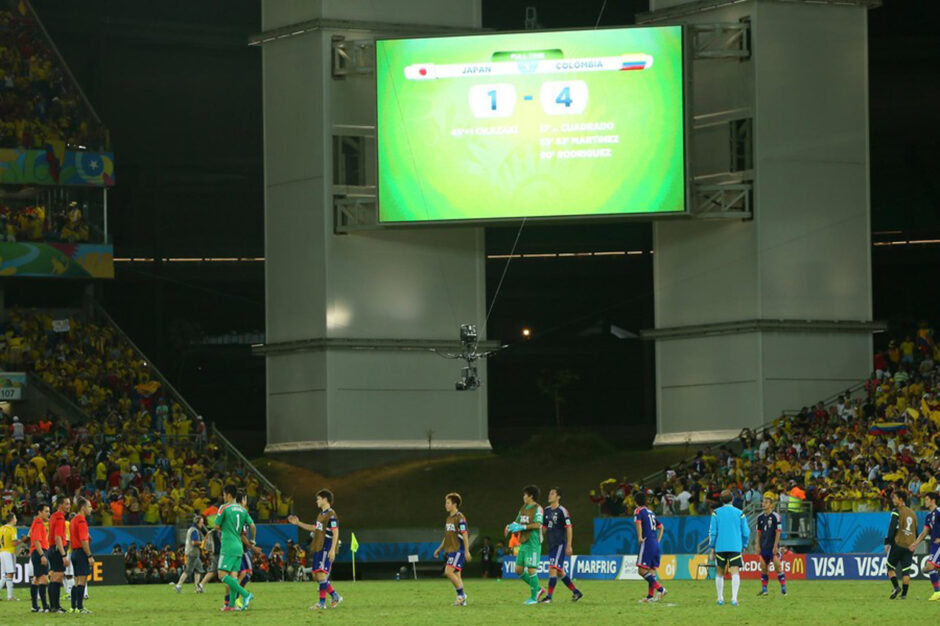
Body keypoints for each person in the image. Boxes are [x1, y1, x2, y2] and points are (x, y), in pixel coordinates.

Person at [288, 489, 342, 610]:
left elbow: (335, 532)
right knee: (315, 575)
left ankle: (322, 604)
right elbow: (314, 528)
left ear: (325, 499)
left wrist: (332, 549)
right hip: (318, 546)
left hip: (326, 546)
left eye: (318, 499)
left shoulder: (331, 514)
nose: (316, 501)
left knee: (321, 575)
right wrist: (298, 523)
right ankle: (335, 596)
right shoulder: (321, 515)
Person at [213, 484, 254, 612]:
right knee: (234, 576)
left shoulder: (224, 508)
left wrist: (224, 527)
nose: (223, 497)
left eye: (224, 494)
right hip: (238, 547)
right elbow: (252, 525)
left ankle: (246, 594)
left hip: (228, 546)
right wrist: (253, 540)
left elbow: (216, 526)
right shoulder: (243, 510)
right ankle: (231, 605)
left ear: (229, 495)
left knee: (221, 575)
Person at [708, 490, 750, 606]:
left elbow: (713, 531)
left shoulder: (716, 513)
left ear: (721, 501)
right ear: (732, 499)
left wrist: (712, 546)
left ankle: (720, 598)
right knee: (735, 571)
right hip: (735, 546)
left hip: (720, 546)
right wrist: (744, 545)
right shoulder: (740, 513)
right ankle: (734, 599)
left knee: (719, 572)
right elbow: (746, 532)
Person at [540, 487, 582, 603]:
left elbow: (569, 528)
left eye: (552, 494)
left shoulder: (562, 511)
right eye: (549, 493)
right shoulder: (547, 510)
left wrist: (569, 545)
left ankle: (548, 597)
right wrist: (538, 537)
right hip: (551, 545)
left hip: (559, 545)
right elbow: (544, 527)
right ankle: (576, 592)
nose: (549, 496)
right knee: (559, 572)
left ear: (558, 497)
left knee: (552, 570)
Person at [505, 484, 544, 605]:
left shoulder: (538, 508)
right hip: (524, 542)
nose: (523, 497)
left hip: (533, 542)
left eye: (525, 495)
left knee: (532, 569)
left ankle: (534, 598)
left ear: (530, 496)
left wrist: (523, 527)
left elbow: (538, 524)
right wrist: (509, 526)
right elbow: (516, 521)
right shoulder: (524, 508)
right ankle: (538, 589)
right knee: (518, 569)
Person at [432, 492, 471, 606]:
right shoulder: (449, 518)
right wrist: (439, 548)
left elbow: (465, 535)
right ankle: (462, 600)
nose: (446, 505)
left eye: (448, 502)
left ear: (454, 504)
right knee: (457, 575)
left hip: (458, 550)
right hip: (451, 550)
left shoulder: (460, 518)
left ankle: (461, 595)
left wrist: (467, 551)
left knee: (448, 572)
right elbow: (448, 536)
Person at [633, 492, 666, 603]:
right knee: (651, 571)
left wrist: (639, 537)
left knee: (641, 570)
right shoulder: (651, 512)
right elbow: (661, 527)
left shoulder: (638, 511)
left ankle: (661, 589)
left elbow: (638, 523)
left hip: (647, 542)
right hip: (654, 543)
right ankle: (650, 596)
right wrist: (658, 540)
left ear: (635, 502)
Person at [885, 489, 917, 599]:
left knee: (889, 567)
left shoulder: (896, 511)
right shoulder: (913, 514)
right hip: (909, 545)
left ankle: (896, 587)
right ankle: (904, 594)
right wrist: (914, 544)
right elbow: (915, 531)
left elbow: (892, 527)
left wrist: (887, 542)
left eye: (895, 497)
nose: (893, 500)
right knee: (906, 572)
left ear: (901, 499)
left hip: (898, 543)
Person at [908, 491, 939, 601]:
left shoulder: (939, 512)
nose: (924, 502)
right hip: (934, 545)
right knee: (935, 569)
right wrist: (915, 543)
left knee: (930, 566)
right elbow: (925, 532)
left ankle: (937, 592)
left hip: (939, 545)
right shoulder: (928, 516)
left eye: (926, 499)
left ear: (933, 500)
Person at [755, 496, 786, 596]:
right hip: (763, 547)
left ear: (771, 505)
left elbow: (778, 532)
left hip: (773, 547)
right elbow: (758, 533)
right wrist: (757, 545)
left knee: (778, 567)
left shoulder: (776, 517)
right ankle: (764, 590)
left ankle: (783, 589)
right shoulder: (760, 518)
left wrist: (775, 546)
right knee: (764, 568)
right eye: (763, 502)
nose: (763, 504)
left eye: (766, 503)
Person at [68, 497, 94, 614]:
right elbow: (84, 540)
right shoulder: (82, 521)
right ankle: (80, 607)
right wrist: (89, 555)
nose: (91, 509)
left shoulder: (73, 520)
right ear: (83, 508)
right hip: (80, 553)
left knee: (76, 580)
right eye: (89, 506)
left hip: (74, 552)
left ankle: (73, 607)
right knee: (81, 581)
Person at [46, 496, 70, 613]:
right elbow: (58, 537)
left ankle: (53, 606)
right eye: (66, 504)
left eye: (69, 504)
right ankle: (55, 606)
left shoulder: (53, 516)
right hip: (57, 550)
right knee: (57, 577)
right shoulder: (60, 518)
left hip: (51, 549)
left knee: (54, 577)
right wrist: (64, 555)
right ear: (60, 505)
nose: (69, 506)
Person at [175, 514, 206, 593]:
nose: (202, 524)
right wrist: (202, 543)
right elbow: (194, 542)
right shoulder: (195, 531)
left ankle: (197, 587)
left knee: (199, 570)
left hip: (193, 553)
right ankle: (178, 585)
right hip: (192, 553)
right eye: (201, 522)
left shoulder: (191, 529)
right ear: (197, 523)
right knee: (188, 571)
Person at [29, 504, 51, 612]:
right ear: (40, 512)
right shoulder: (38, 523)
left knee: (36, 579)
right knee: (44, 579)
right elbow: (37, 541)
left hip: (36, 552)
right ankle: (45, 606)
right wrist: (42, 555)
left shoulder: (37, 522)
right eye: (46, 511)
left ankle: (34, 606)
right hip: (39, 552)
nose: (48, 513)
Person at [0, 512, 20, 601]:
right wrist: (22, 541)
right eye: (15, 518)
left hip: (2, 552)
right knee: (10, 573)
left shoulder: (1, 528)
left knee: (5, 575)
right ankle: (10, 596)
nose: (16, 519)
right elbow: (14, 542)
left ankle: (9, 596)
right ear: (12, 519)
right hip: (9, 552)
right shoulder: (12, 529)